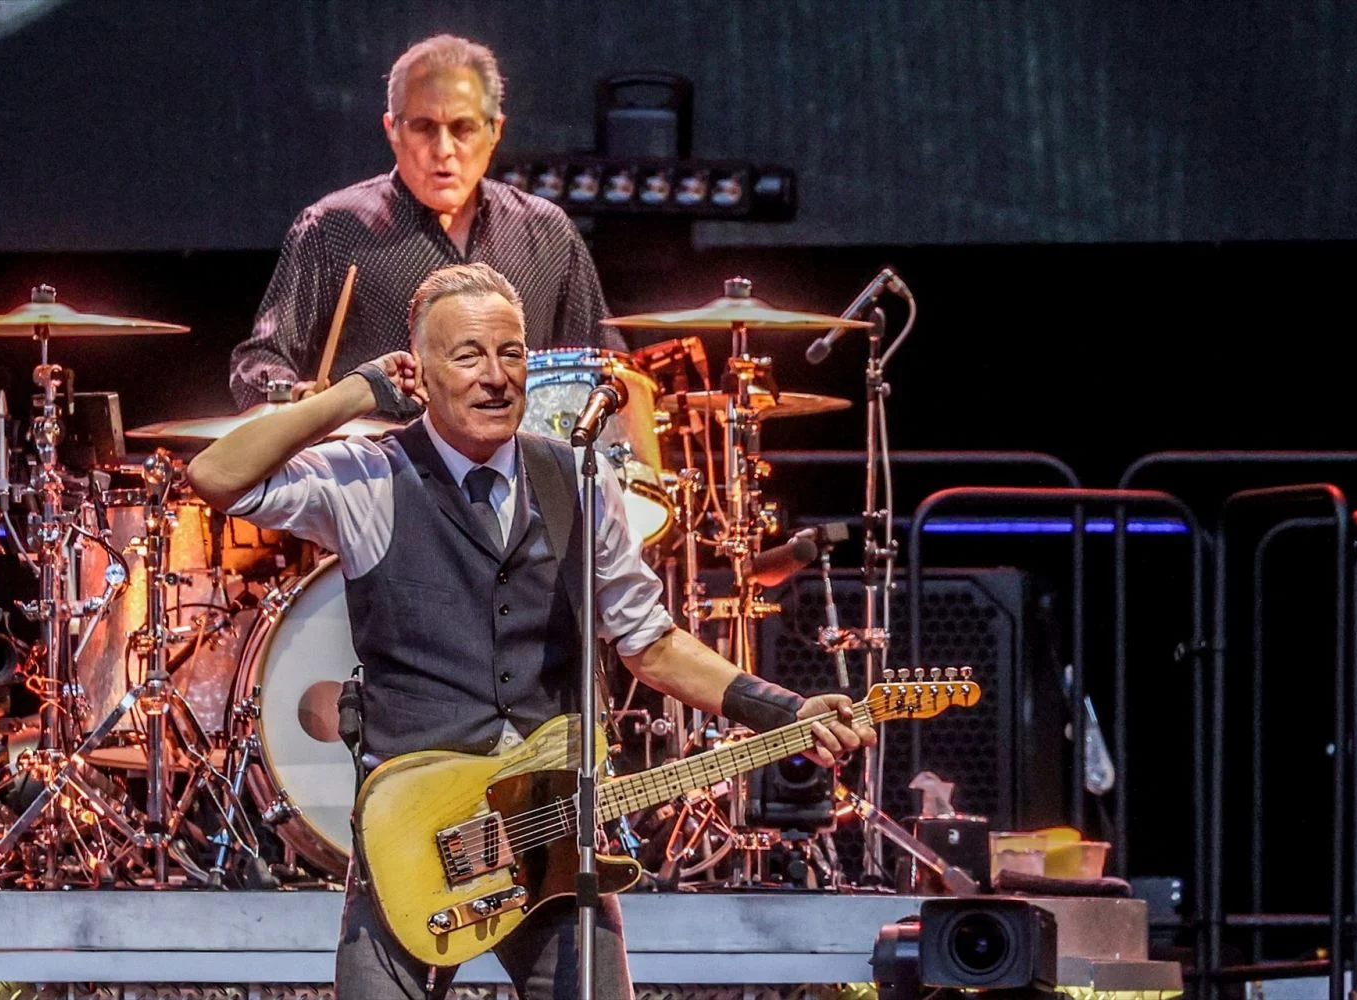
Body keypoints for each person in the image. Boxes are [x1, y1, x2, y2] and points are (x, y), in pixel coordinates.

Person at [186, 263, 874, 1000]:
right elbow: (217, 475)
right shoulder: (370, 476)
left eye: (510, 353)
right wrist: (354, 394)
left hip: (551, 833)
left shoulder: (578, 479)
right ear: (420, 373)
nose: (495, 376)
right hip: (417, 838)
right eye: (468, 356)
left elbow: (650, 642)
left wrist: (784, 709)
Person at [229, 33, 624, 409]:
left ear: (494, 131)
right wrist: (294, 399)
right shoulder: (332, 229)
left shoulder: (548, 232)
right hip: (380, 454)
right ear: (392, 130)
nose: (443, 150)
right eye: (423, 127)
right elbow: (261, 359)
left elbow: (607, 366)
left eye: (463, 128)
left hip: (516, 454)